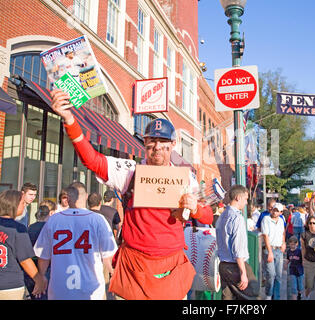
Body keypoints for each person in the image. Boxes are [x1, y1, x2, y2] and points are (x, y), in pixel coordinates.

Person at [50, 89, 213, 300]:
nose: (156, 147)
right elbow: (92, 160)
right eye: (151, 141)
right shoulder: (130, 171)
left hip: (171, 268)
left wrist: (196, 208)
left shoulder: (186, 178)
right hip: (135, 266)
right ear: (144, 143)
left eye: (162, 142)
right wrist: (69, 120)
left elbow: (208, 217)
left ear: (173, 144)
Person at [33, 182, 117, 300]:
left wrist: (41, 277)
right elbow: (108, 255)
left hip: (60, 289)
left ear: (67, 198)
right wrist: (113, 274)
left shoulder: (54, 220)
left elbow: (43, 255)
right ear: (86, 196)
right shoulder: (98, 220)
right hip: (91, 289)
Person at [0, 190, 47, 300]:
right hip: (10, 285)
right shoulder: (17, 228)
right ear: (14, 205)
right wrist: (38, 279)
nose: (24, 206)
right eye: (22, 203)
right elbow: (25, 259)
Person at [215, 185, 259, 300]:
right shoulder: (237, 218)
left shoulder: (222, 216)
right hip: (235, 266)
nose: (246, 202)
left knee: (227, 297)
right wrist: (243, 273)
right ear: (238, 197)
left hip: (223, 265)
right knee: (253, 294)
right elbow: (237, 249)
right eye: (245, 199)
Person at [24, 203, 55, 300]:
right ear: (50, 213)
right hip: (46, 268)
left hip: (31, 269)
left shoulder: (30, 228)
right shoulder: (49, 228)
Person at [261, 202, 286, 300]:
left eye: (277, 211)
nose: (275, 212)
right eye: (274, 210)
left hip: (279, 249)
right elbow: (265, 236)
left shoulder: (281, 220)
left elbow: (283, 232)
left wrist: (283, 243)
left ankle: (277, 296)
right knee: (271, 274)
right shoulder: (266, 219)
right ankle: (269, 294)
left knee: (278, 276)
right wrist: (270, 251)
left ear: (280, 212)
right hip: (269, 249)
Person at [286, 235, 304, 300]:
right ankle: (294, 297)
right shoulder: (289, 251)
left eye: (294, 244)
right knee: (293, 287)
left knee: (300, 286)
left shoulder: (299, 251)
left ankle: (299, 294)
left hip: (300, 271)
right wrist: (285, 264)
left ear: (297, 244)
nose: (292, 246)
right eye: (291, 244)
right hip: (292, 270)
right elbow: (288, 259)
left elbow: (303, 260)